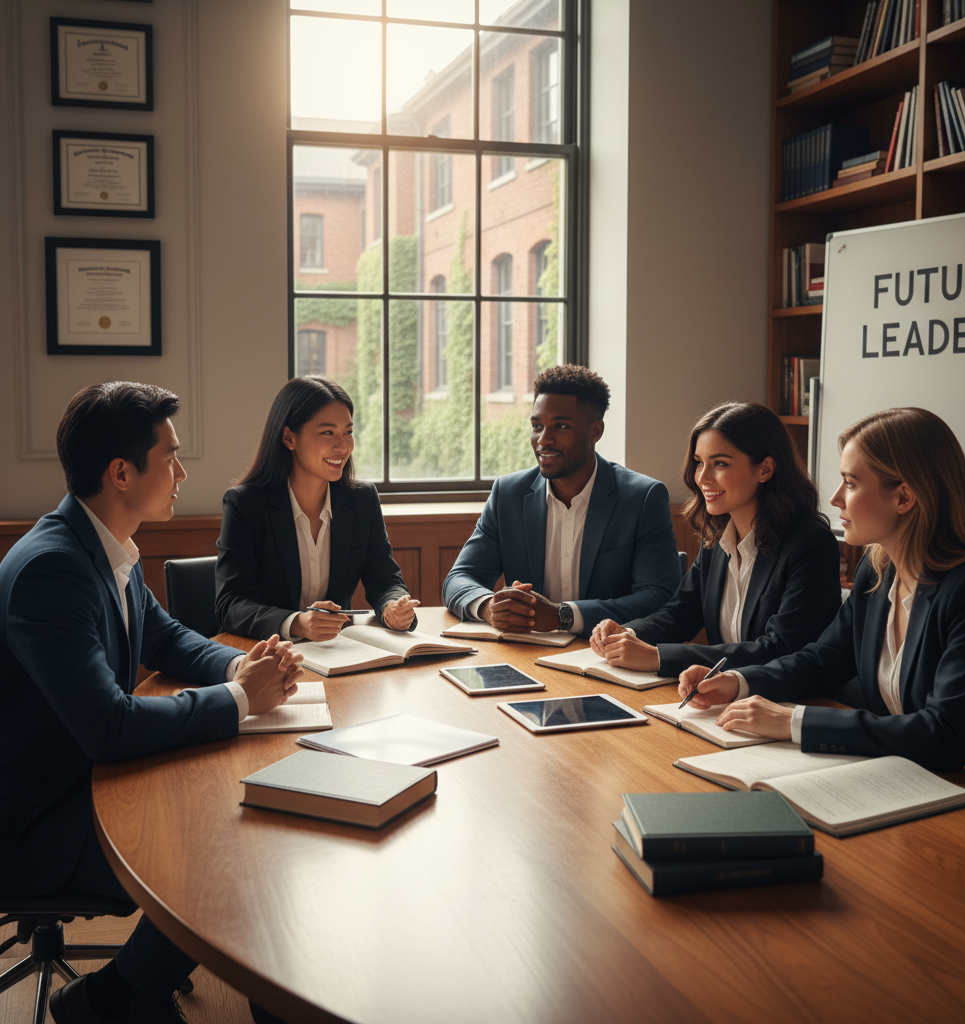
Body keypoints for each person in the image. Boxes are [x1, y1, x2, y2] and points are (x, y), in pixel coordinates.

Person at [0, 382, 304, 1024]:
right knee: (229, 845)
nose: (182, 472)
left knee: (238, 823)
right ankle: (114, 999)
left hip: (83, 779)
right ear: (121, 473)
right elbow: (109, 727)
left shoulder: (102, 543)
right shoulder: (50, 570)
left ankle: (122, 993)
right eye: (170, 456)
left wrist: (240, 667)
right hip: (35, 822)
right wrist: (240, 699)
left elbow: (164, 637)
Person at [680, 407, 965, 798]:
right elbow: (821, 661)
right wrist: (738, 682)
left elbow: (945, 733)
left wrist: (793, 720)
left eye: (850, 483)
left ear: (904, 497)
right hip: (903, 778)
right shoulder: (877, 572)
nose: (835, 498)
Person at [589, 402, 841, 677]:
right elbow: (681, 613)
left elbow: (779, 649)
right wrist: (627, 633)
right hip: (724, 693)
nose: (702, 478)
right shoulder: (717, 537)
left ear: (765, 469)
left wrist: (659, 657)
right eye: (699, 463)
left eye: (720, 463)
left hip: (787, 696)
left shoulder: (811, 544)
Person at [442, 365, 680, 636]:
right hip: (524, 651)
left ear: (595, 431)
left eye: (561, 426)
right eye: (537, 426)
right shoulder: (508, 494)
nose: (543, 440)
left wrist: (563, 616)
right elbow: (459, 578)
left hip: (605, 651)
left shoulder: (642, 498)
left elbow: (659, 596)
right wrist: (488, 607)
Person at [216, 376, 418, 641]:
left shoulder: (362, 499)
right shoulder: (244, 504)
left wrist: (392, 607)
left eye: (348, 432)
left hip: (334, 652)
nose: (343, 447)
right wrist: (296, 623)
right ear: (289, 438)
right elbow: (231, 604)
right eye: (327, 432)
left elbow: (384, 579)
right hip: (264, 652)